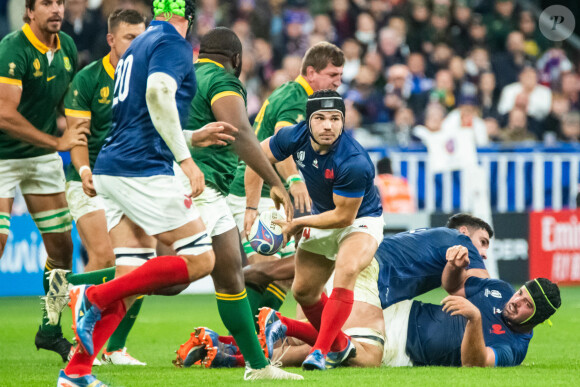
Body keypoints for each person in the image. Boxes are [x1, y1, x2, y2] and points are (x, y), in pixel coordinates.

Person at [55, 1, 244, 385]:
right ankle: (92, 297)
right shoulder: (172, 43)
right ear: (187, 20)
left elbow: (138, 118)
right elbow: (159, 94)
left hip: (112, 166)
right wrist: (186, 158)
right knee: (201, 260)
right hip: (142, 170)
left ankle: (76, 372)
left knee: (133, 273)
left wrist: (193, 135)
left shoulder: (137, 46)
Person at [189, 213, 492, 367]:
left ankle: (224, 349)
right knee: (367, 352)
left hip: (348, 267)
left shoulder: (434, 240)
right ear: (465, 232)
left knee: (310, 342)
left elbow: (452, 286)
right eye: (483, 242)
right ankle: (276, 325)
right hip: (364, 274)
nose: (484, 252)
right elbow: (483, 290)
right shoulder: (460, 241)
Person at [171, 27, 301, 380]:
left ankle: (257, 366)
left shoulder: (183, 76)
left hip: (196, 183)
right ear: (237, 60)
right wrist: (277, 183)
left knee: (230, 276)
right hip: (197, 184)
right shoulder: (222, 80)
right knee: (176, 279)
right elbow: (242, 135)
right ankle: (93, 290)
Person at [247, 90, 384, 370]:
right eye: (320, 118)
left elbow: (344, 218)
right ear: (308, 120)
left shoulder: (353, 160)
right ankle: (341, 345)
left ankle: (320, 352)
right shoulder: (292, 136)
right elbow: (257, 155)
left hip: (361, 221)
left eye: (335, 118)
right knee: (304, 292)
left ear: (343, 121)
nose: (328, 126)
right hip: (323, 217)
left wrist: (298, 222)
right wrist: (271, 186)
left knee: (346, 269)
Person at [46, 8, 148, 366]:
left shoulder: (148, 78)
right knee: (105, 256)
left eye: (143, 37)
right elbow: (76, 136)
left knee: (141, 263)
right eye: (130, 38)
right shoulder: (88, 80)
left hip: (132, 180)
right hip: (87, 179)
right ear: (111, 39)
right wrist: (85, 169)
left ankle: (114, 347)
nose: (138, 45)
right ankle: (64, 297)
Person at [227, 41, 344, 317]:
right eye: (333, 75)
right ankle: (242, 332)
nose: (338, 82)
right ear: (311, 72)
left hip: (269, 193)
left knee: (284, 273)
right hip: (254, 190)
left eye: (340, 76)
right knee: (268, 268)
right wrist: (294, 179)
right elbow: (280, 143)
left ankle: (253, 334)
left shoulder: (297, 95)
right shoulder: (297, 97)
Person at [0, 0, 88, 361]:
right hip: (3, 156)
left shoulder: (66, 46)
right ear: (29, 11)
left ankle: (50, 330)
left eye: (60, 3)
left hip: (39, 160)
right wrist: (57, 142)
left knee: (62, 249)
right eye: (47, 3)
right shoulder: (12, 49)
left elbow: (67, 101)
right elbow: (4, 114)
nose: (56, 9)